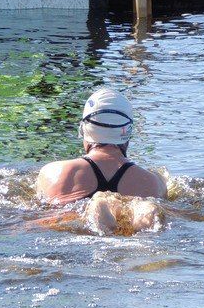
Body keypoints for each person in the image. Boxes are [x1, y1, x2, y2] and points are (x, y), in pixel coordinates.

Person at [36, 87, 166, 233]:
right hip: (135, 236)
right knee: (146, 210)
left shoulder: (54, 173)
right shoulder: (152, 182)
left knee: (86, 212)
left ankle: (99, 210)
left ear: (83, 129)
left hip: (79, 224)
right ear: (128, 132)